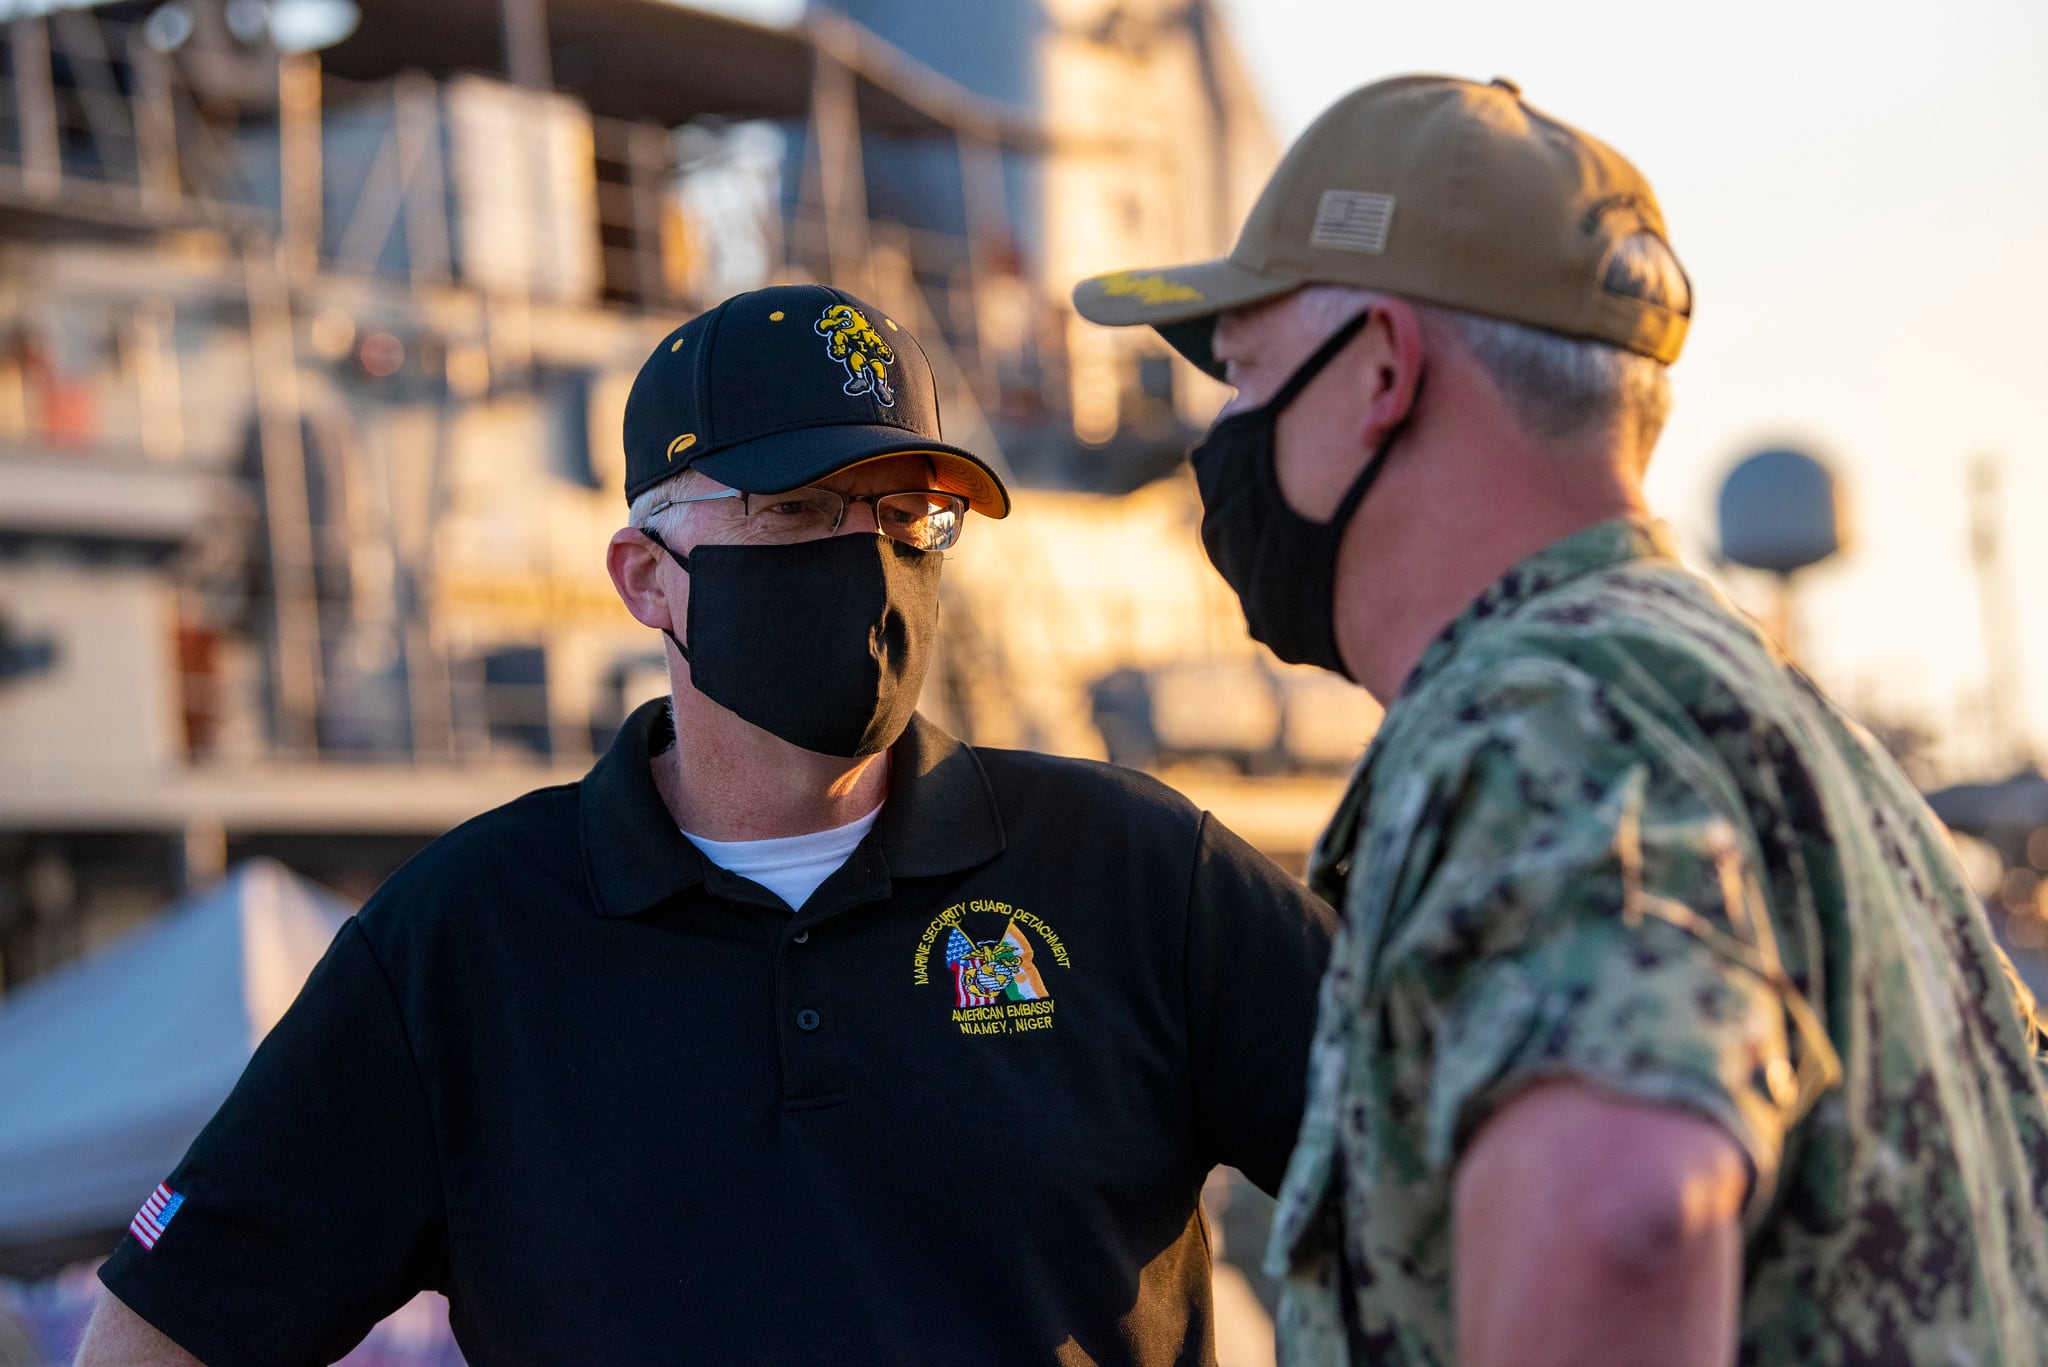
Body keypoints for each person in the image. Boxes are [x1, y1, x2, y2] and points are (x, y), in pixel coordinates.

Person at [77, 284, 1337, 1366]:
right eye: (795, 510)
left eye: (906, 515)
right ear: (645, 577)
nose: (870, 560)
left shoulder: (1130, 872)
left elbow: (1463, 1174)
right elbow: (165, 1327)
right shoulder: (468, 939)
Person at [1075, 74, 2048, 1367]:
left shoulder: (1537, 721)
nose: (1226, 431)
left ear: (1378, 368)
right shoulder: (1757, 716)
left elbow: (1623, 1211)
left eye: (1244, 374)